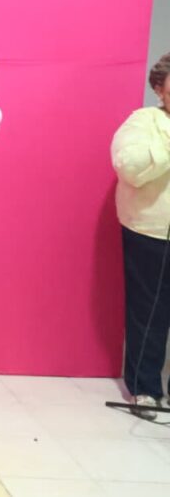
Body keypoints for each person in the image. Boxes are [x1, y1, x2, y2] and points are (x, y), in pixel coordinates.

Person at [111, 51, 170, 420]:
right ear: (160, 88)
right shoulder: (143, 122)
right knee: (149, 312)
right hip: (151, 232)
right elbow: (129, 169)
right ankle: (145, 389)